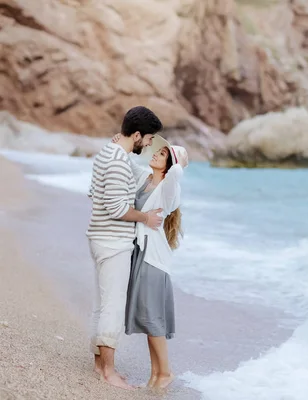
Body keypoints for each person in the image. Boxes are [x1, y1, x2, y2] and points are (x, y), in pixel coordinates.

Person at [86, 106, 164, 390]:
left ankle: (98, 364)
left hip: (99, 237)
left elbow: (96, 192)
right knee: (113, 309)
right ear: (137, 134)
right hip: (112, 242)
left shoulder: (108, 151)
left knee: (102, 305)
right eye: (148, 139)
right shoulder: (118, 161)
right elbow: (118, 208)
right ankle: (108, 371)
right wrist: (146, 217)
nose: (147, 145)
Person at [113, 133, 188, 389]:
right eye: (157, 151)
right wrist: (120, 144)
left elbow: (177, 172)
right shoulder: (145, 179)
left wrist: (178, 157)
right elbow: (127, 163)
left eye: (162, 154)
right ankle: (156, 374)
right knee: (147, 318)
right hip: (139, 254)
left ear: (169, 164)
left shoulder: (169, 190)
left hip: (153, 260)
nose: (156, 153)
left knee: (153, 318)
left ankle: (165, 373)